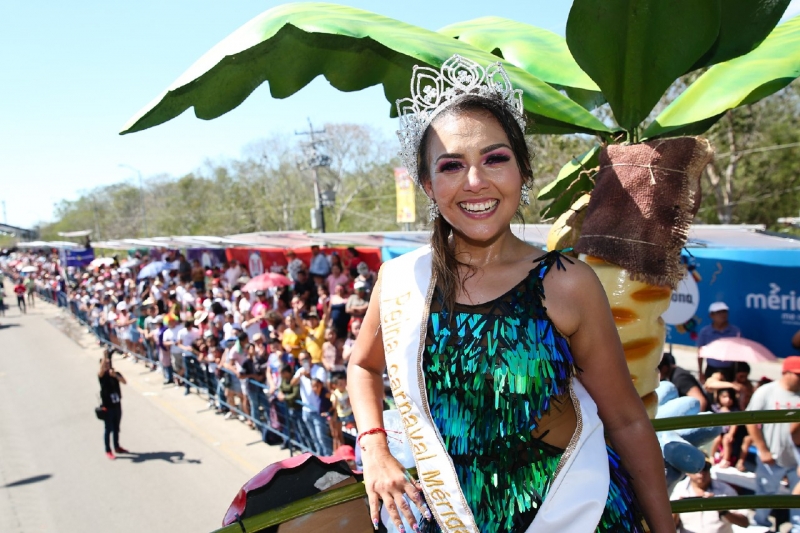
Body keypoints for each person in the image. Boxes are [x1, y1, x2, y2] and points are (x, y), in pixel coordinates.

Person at [347, 56, 671, 533]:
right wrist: (374, 448)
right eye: (452, 165)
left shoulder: (566, 282)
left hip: (578, 514)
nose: (475, 182)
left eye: (495, 158)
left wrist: (665, 529)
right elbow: (362, 365)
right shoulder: (401, 282)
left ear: (522, 169)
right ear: (427, 185)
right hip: (459, 517)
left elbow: (626, 419)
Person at [746, 355, 800, 531]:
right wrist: (762, 450)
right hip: (772, 456)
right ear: (786, 372)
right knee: (765, 495)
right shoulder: (766, 392)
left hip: (797, 460)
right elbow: (751, 421)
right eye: (798, 374)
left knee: (797, 499)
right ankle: (761, 525)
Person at [670, 457, 749, 532]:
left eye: (705, 468)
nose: (701, 473)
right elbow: (670, 525)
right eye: (695, 468)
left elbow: (744, 523)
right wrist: (678, 509)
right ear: (687, 471)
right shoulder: (680, 489)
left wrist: (722, 510)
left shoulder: (725, 490)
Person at [696, 302, 741, 382]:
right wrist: (700, 372)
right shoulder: (705, 332)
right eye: (718, 312)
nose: (722, 315)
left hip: (730, 371)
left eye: (724, 311)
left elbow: (740, 354)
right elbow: (700, 353)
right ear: (711, 315)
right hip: (711, 369)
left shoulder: (735, 332)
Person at [98, 355, 129, 460]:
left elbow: (124, 382)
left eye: (108, 363)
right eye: (105, 364)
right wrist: (104, 355)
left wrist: (115, 376)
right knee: (108, 429)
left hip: (117, 404)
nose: (107, 365)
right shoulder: (102, 376)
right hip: (108, 406)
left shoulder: (115, 374)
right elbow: (101, 371)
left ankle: (117, 446)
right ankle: (108, 450)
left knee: (116, 427)